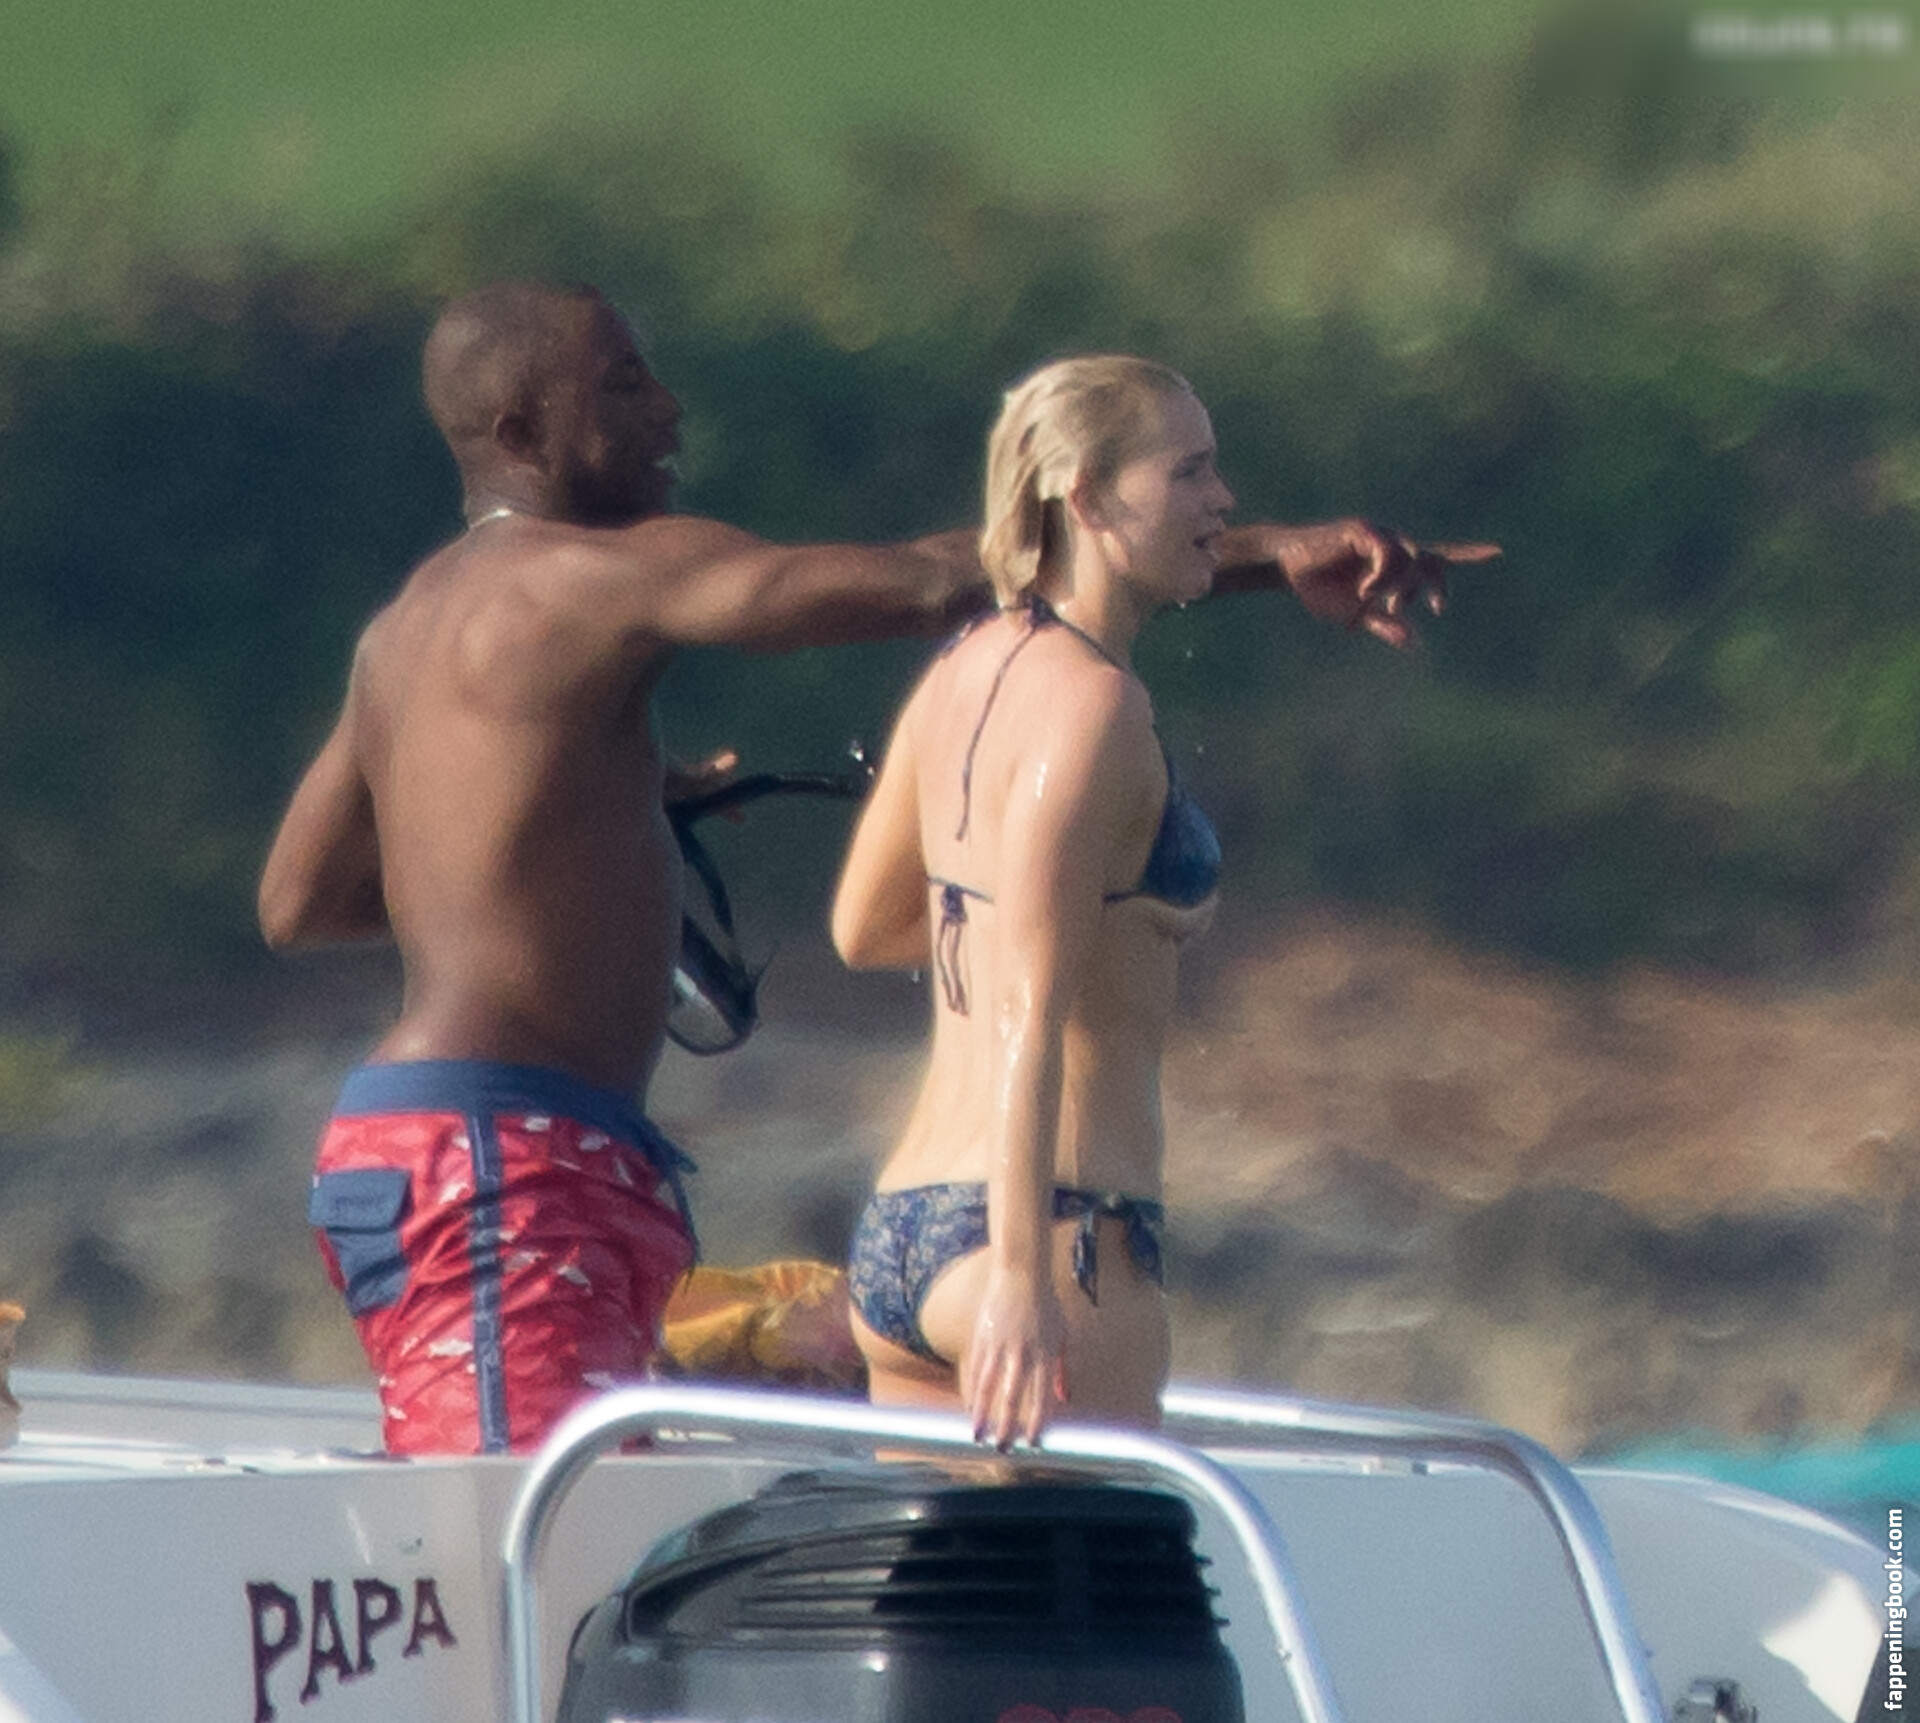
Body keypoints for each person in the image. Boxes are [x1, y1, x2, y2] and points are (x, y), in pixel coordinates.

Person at [261, 281, 1472, 1456]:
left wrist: (562, 821)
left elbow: (300, 899)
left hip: (488, 1147)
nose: (668, 410)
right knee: (524, 1543)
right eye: (624, 384)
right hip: (499, 1165)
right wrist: (1264, 554)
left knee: (579, 1534)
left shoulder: (402, 630)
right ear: (522, 430)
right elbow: (930, 581)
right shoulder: (594, 575)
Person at [832, 354, 1497, 1449]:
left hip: (902, 1235)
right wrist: (1018, 1277)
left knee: (962, 1567)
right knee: (1097, 1565)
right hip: (1055, 1235)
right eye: (1189, 472)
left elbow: (863, 928)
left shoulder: (960, 669)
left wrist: (1058, 931)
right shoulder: (1096, 708)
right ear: (1087, 496)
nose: (1224, 501)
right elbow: (1029, 1012)